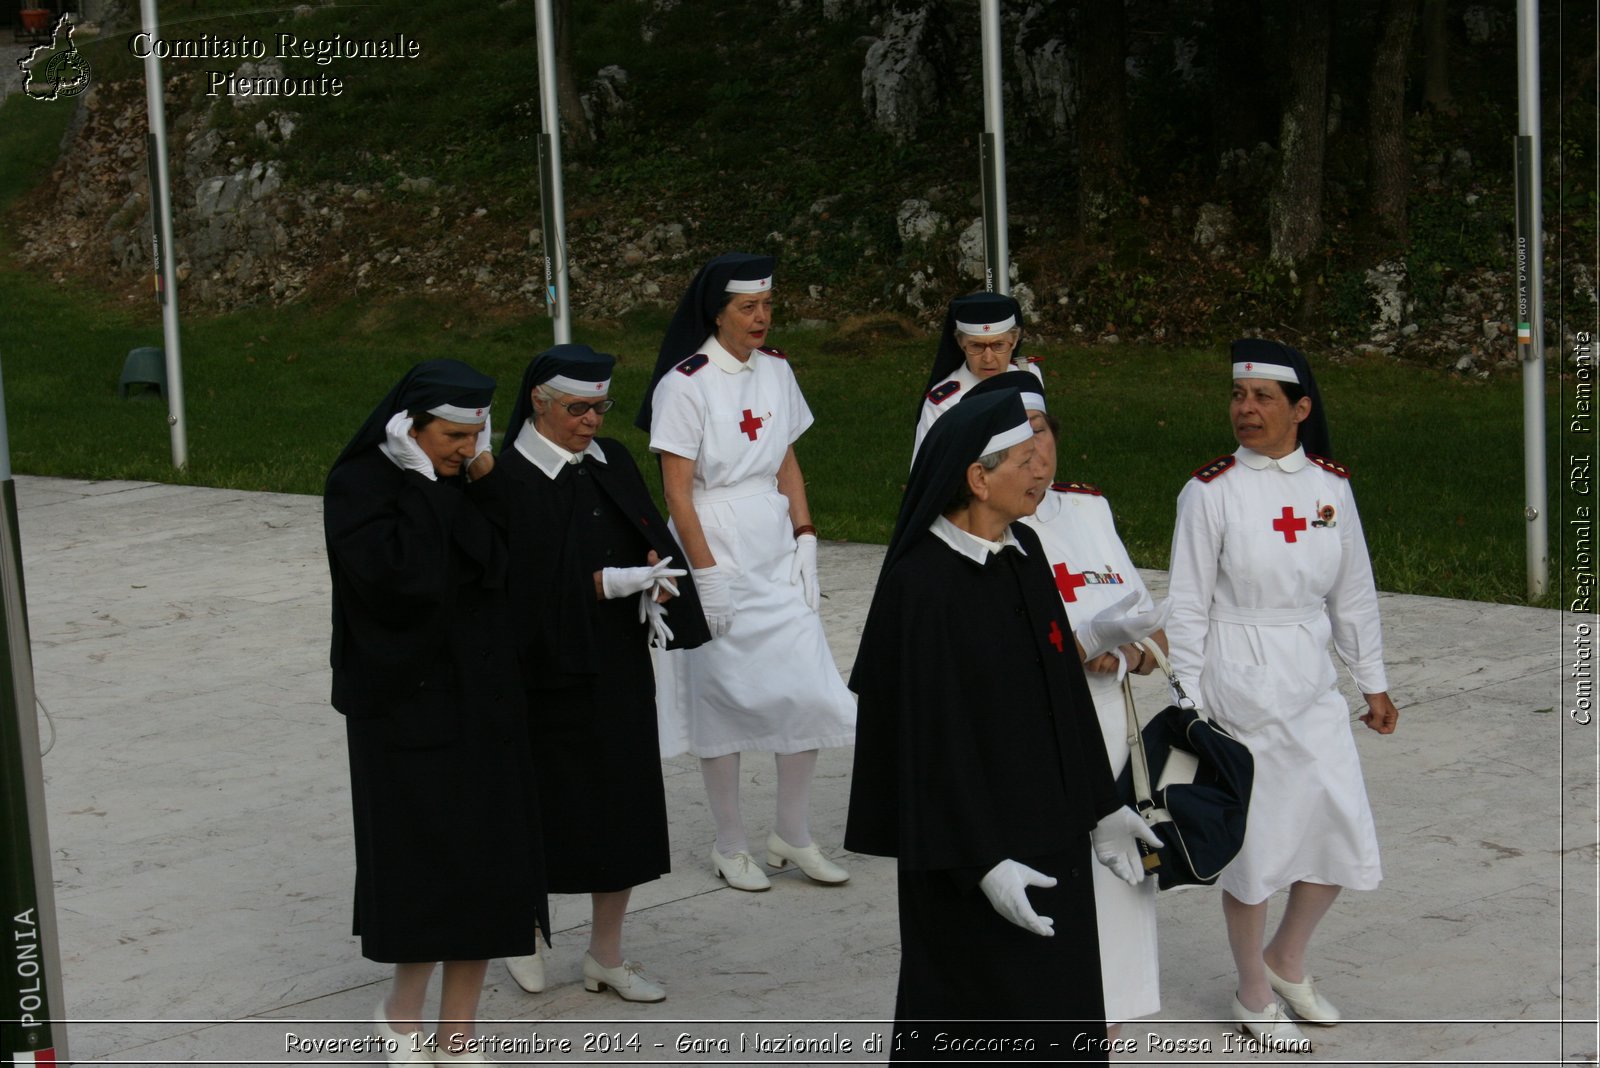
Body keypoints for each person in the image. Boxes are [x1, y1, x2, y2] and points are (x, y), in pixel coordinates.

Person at [845, 390, 1161, 1063]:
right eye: (1023, 460)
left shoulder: (1023, 554)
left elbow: (1062, 692)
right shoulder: (922, 586)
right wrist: (979, 861)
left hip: (1052, 838)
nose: (1041, 469)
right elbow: (928, 747)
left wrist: (1103, 806)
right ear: (978, 477)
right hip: (970, 855)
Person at [1165, 339, 1400, 1050]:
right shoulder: (1210, 492)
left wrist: (1373, 680)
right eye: (1239, 396)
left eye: (1264, 398)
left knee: (1337, 827)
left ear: (1301, 409)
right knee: (1258, 848)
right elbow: (1185, 604)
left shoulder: (1331, 486)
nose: (1246, 409)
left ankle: (1287, 961)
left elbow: (1352, 591)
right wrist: (1189, 700)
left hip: (1309, 675)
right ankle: (1252, 988)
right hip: (1239, 678)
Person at [323, 359, 546, 1066]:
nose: (466, 448)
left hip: (484, 699)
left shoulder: (471, 481)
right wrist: (426, 487)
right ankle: (401, 1015)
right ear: (407, 429)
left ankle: (459, 1032)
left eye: (477, 434)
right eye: (452, 436)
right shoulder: (360, 486)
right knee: (422, 863)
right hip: (404, 707)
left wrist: (481, 478)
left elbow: (513, 557)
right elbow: (402, 583)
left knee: (488, 862)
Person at [478, 343, 710, 1005]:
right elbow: (509, 588)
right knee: (544, 807)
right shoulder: (510, 478)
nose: (593, 421)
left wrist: (655, 580)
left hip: (613, 662)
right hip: (542, 673)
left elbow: (645, 536)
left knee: (624, 809)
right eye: (579, 408)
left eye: (602, 407)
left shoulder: (608, 460)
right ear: (539, 405)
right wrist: (601, 584)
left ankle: (605, 955)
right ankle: (524, 929)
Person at [636, 252, 856, 893]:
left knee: (807, 685)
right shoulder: (686, 382)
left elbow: (786, 459)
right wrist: (705, 575)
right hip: (714, 536)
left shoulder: (777, 371)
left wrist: (806, 534)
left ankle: (793, 831)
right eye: (747, 308)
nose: (761, 319)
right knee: (720, 694)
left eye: (766, 306)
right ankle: (730, 842)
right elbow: (677, 491)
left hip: (772, 534)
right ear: (717, 311)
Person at [966, 371, 1167, 1032]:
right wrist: (1077, 647)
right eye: (1021, 436)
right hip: (1034, 737)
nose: (1038, 450)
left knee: (1118, 899)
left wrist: (1131, 652)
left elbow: (1149, 625)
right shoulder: (988, 528)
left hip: (1108, 733)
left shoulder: (1089, 509)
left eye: (1044, 429)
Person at [910, 290, 1042, 459]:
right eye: (976, 346)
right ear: (960, 342)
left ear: (1015, 339)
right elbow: (926, 475)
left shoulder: (1028, 375)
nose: (988, 359)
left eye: (999, 345)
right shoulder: (942, 404)